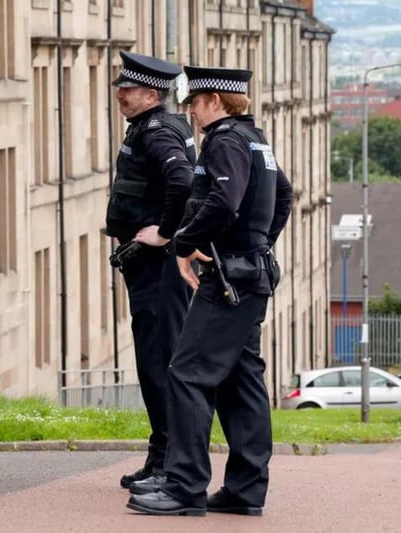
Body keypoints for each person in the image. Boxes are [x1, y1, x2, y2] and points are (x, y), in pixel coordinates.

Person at [127, 66, 293, 517]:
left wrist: (184, 243)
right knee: (241, 381)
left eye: (195, 103)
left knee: (186, 372)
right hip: (249, 274)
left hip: (227, 281)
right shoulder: (257, 139)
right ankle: (244, 490)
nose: (192, 113)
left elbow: (223, 201)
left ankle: (183, 486)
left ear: (215, 101)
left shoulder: (225, 141)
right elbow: (284, 196)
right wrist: (259, 244)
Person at [104, 51, 196, 490]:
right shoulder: (150, 127)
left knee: (160, 363)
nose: (121, 94)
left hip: (158, 269)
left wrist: (164, 231)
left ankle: (170, 464)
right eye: (121, 87)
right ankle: (161, 455)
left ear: (152, 94)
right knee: (153, 363)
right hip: (150, 271)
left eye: (129, 89)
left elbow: (182, 180)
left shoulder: (157, 132)